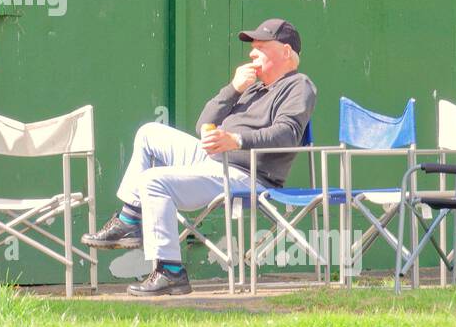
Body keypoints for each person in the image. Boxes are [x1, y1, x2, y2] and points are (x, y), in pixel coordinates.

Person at [83, 18, 317, 296]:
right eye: (252, 48)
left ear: (286, 52)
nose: (252, 54)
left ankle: (170, 272)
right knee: (149, 133)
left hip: (249, 174)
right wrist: (233, 89)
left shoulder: (299, 86)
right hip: (216, 161)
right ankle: (131, 220)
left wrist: (236, 140)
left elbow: (287, 134)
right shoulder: (252, 87)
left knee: (154, 181)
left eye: (261, 47)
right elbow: (203, 125)